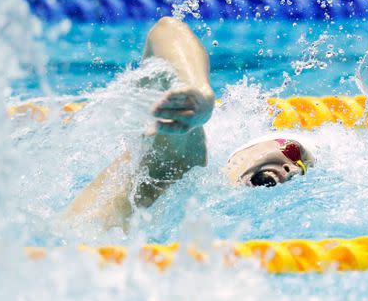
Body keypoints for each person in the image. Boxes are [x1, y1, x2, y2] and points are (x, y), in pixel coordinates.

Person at [66, 17, 316, 231]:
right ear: (239, 154)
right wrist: (196, 87)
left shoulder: (206, 211)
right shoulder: (186, 167)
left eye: (302, 173)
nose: (292, 170)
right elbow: (167, 30)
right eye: (293, 151)